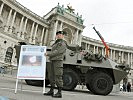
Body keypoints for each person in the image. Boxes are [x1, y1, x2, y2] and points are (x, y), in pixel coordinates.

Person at [44, 31, 67, 98]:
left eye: (60, 34)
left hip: (58, 61)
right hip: (52, 60)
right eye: (58, 35)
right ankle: (51, 90)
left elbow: (57, 51)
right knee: (51, 76)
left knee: (58, 76)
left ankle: (59, 92)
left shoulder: (62, 43)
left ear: (63, 36)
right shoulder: (55, 43)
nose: (59, 36)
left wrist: (48, 54)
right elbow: (53, 50)